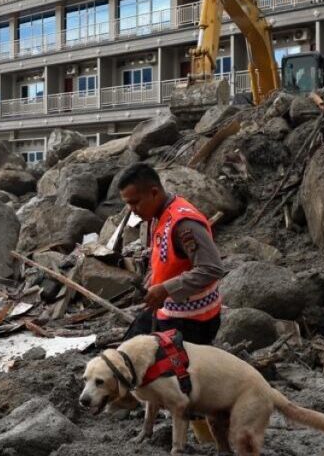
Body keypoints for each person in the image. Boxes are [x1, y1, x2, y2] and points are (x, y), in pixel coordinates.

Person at [117, 163, 226, 443]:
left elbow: (212, 268)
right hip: (168, 309)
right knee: (131, 354)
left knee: (186, 383)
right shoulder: (157, 215)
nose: (132, 210)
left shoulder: (185, 223)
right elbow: (167, 260)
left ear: (153, 192)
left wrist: (166, 288)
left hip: (193, 320)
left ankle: (207, 439)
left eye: (134, 202)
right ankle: (136, 408)